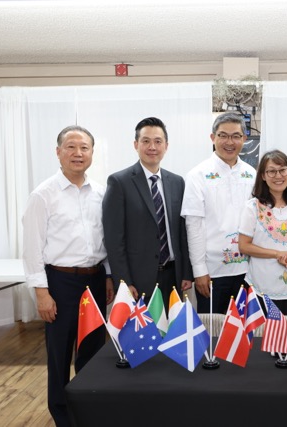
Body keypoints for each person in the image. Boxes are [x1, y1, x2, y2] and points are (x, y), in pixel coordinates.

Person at [22, 125, 115, 427]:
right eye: (71, 147)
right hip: (59, 282)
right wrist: (41, 293)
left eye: (84, 147)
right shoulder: (43, 195)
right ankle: (62, 416)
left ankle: (87, 411)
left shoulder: (100, 192)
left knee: (92, 350)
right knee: (60, 353)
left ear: (92, 153)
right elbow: (32, 248)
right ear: (58, 152)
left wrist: (108, 276)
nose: (78, 153)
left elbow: (105, 239)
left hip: (95, 280)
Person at [102, 117, 193, 309]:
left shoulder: (177, 182)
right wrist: (124, 282)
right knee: (142, 328)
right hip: (138, 280)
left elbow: (182, 232)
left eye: (158, 141)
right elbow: (114, 240)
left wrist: (186, 272)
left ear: (166, 146)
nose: (152, 147)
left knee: (173, 326)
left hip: (173, 276)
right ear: (136, 144)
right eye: (146, 141)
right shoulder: (119, 182)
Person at [181, 112, 256, 314]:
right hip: (212, 272)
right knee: (213, 328)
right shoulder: (197, 175)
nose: (229, 142)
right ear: (213, 137)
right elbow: (194, 226)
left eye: (236, 136)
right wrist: (199, 270)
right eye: (223, 135)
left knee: (245, 328)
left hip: (248, 271)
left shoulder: (252, 174)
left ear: (244, 139)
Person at [238, 149, 287, 315]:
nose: (278, 176)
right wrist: (277, 254)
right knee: (264, 331)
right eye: (271, 171)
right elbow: (244, 246)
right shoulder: (252, 208)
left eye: (282, 170)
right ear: (263, 176)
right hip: (262, 287)